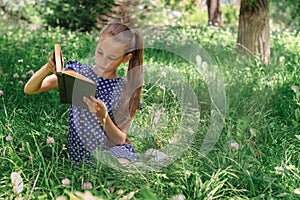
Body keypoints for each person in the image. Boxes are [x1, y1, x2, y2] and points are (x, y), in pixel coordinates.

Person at [24, 23, 144, 165]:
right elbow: (30, 89)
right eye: (99, 52)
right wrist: (47, 69)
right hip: (80, 151)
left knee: (121, 164)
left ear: (126, 58)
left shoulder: (125, 90)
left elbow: (119, 139)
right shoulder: (77, 73)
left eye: (111, 58)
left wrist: (103, 116)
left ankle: (142, 160)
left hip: (111, 150)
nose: (102, 61)